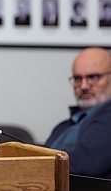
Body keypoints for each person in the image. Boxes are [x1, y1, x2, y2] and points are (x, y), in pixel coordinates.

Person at [45, 47, 111, 179]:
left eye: (93, 77)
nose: (84, 86)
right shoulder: (64, 126)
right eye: (78, 79)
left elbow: (85, 165)